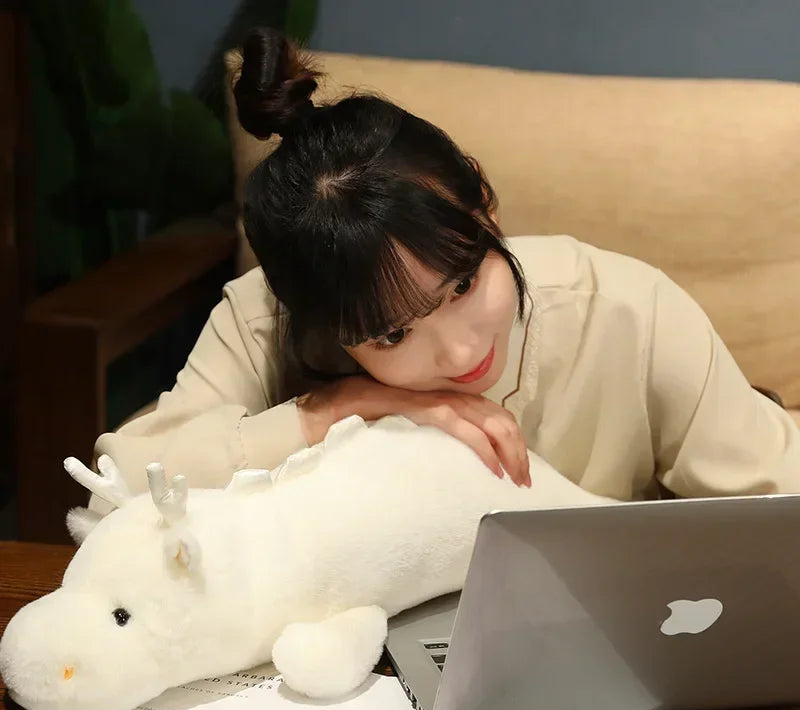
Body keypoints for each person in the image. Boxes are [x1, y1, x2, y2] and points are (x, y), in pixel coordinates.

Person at [89, 28, 800, 514]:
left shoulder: (623, 307)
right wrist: (342, 406)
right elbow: (117, 488)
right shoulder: (263, 316)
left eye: (463, 284)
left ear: (481, 201)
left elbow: (779, 494)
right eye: (391, 336)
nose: (461, 353)